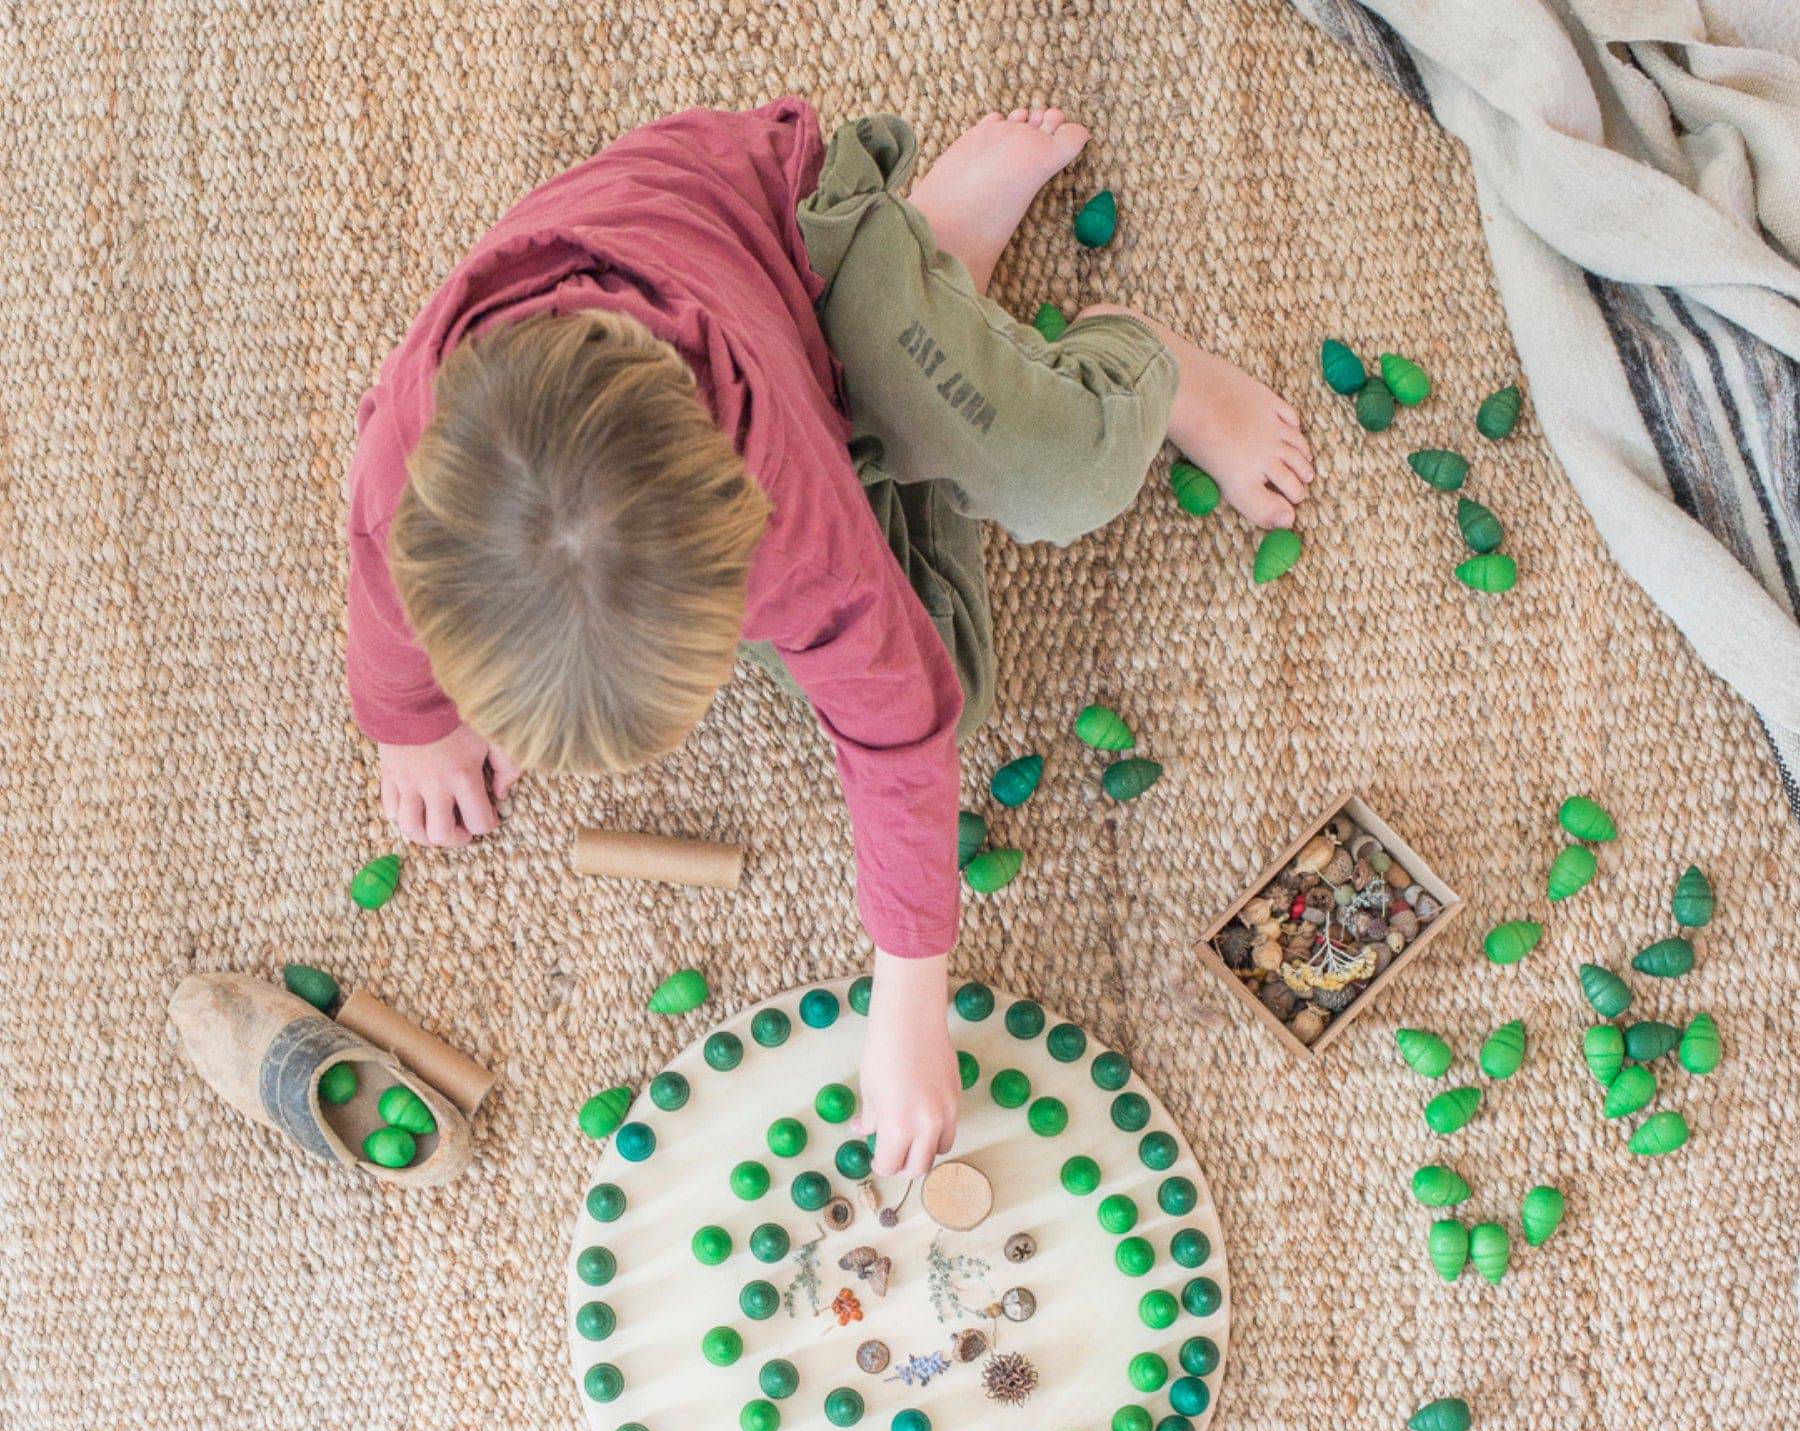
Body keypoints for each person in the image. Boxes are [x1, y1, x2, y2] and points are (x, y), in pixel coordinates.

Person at [344, 100, 1313, 1177]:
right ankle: (938, 293)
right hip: (725, 364)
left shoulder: (789, 512)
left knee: (1060, 476)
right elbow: (383, 601)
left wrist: (909, 1000)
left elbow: (898, 730)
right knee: (951, 671)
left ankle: (1094, 342)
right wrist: (414, 725)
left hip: (801, 247)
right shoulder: (406, 468)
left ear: (741, 546)